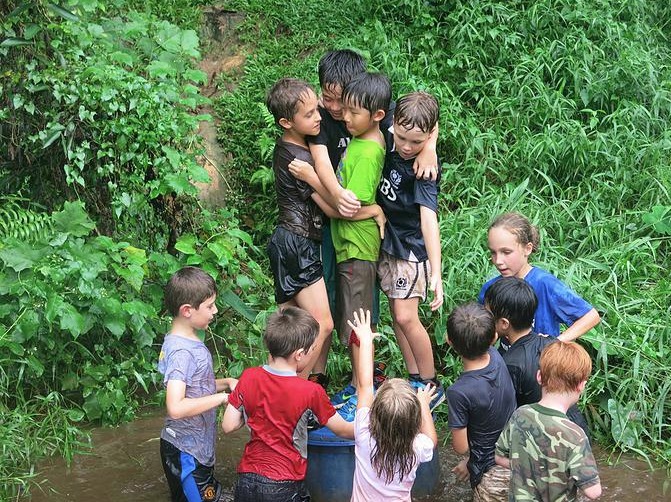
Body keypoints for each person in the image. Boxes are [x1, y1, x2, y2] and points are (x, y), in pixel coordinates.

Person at [289, 49, 439, 391]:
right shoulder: (322, 120)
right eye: (327, 98)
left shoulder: (375, 122)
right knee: (333, 295)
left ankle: (370, 382)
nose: (335, 109)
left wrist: (429, 145)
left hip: (369, 234)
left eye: (340, 101)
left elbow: (422, 117)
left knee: (366, 303)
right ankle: (323, 375)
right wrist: (339, 196)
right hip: (339, 221)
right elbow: (322, 161)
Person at [264, 77, 384, 382]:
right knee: (323, 324)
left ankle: (272, 395)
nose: (319, 117)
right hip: (299, 242)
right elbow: (334, 209)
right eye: (309, 115)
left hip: (284, 240)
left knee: (286, 331)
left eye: (316, 110)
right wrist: (373, 209)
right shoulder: (300, 160)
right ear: (286, 122)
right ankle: (286, 391)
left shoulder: (288, 147)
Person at [221, 306, 354, 502]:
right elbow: (344, 431)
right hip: (284, 484)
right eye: (312, 351)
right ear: (299, 354)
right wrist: (378, 425)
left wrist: (255, 411)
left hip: (246, 480)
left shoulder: (249, 377)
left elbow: (228, 425)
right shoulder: (311, 391)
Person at [376, 91, 444, 410]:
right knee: (397, 316)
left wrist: (437, 272)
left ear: (427, 136)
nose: (405, 147)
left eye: (415, 142)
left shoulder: (424, 170)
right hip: (388, 240)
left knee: (406, 316)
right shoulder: (392, 118)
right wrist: (428, 142)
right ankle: (414, 376)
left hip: (410, 248)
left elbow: (429, 218)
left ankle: (430, 383)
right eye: (401, 138)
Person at [329, 71, 391, 421]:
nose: (346, 117)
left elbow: (353, 207)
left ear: (377, 115)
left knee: (357, 325)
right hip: (352, 246)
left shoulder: (367, 152)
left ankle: (361, 392)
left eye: (354, 112)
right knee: (356, 320)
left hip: (356, 246)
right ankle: (358, 384)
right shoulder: (368, 139)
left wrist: (375, 209)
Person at [158, 266, 238, 502]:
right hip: (185, 452)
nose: (215, 311)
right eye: (210, 306)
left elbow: (196, 386)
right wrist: (223, 399)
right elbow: (175, 406)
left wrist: (226, 383)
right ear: (187, 311)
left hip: (195, 450)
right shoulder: (182, 351)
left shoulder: (186, 339)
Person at [347, 308, 437, 502]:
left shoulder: (364, 433)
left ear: (374, 413)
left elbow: (364, 385)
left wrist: (366, 340)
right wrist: (422, 404)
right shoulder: (416, 447)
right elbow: (432, 439)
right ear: (414, 421)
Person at [495, 341, 602, 501]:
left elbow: (499, 457)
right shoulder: (575, 436)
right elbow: (593, 492)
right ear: (581, 385)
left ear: (539, 376)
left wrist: (528, 466)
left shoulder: (520, 415)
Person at [484, 276, 590, 435]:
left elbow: (504, 416)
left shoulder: (509, 364)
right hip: (576, 431)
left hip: (548, 439)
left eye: (488, 315)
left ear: (504, 324)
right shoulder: (551, 343)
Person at [478, 212, 601, 346]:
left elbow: (591, 316)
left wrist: (554, 343)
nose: (498, 261)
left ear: (527, 249)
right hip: (508, 363)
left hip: (543, 364)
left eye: (506, 252)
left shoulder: (545, 284)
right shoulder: (491, 288)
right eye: (493, 252)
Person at [445, 302, 516, 501]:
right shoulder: (496, 356)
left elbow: (461, 447)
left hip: (489, 472)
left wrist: (470, 459)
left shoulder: (458, 392)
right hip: (519, 457)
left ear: (450, 341)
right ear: (494, 337)